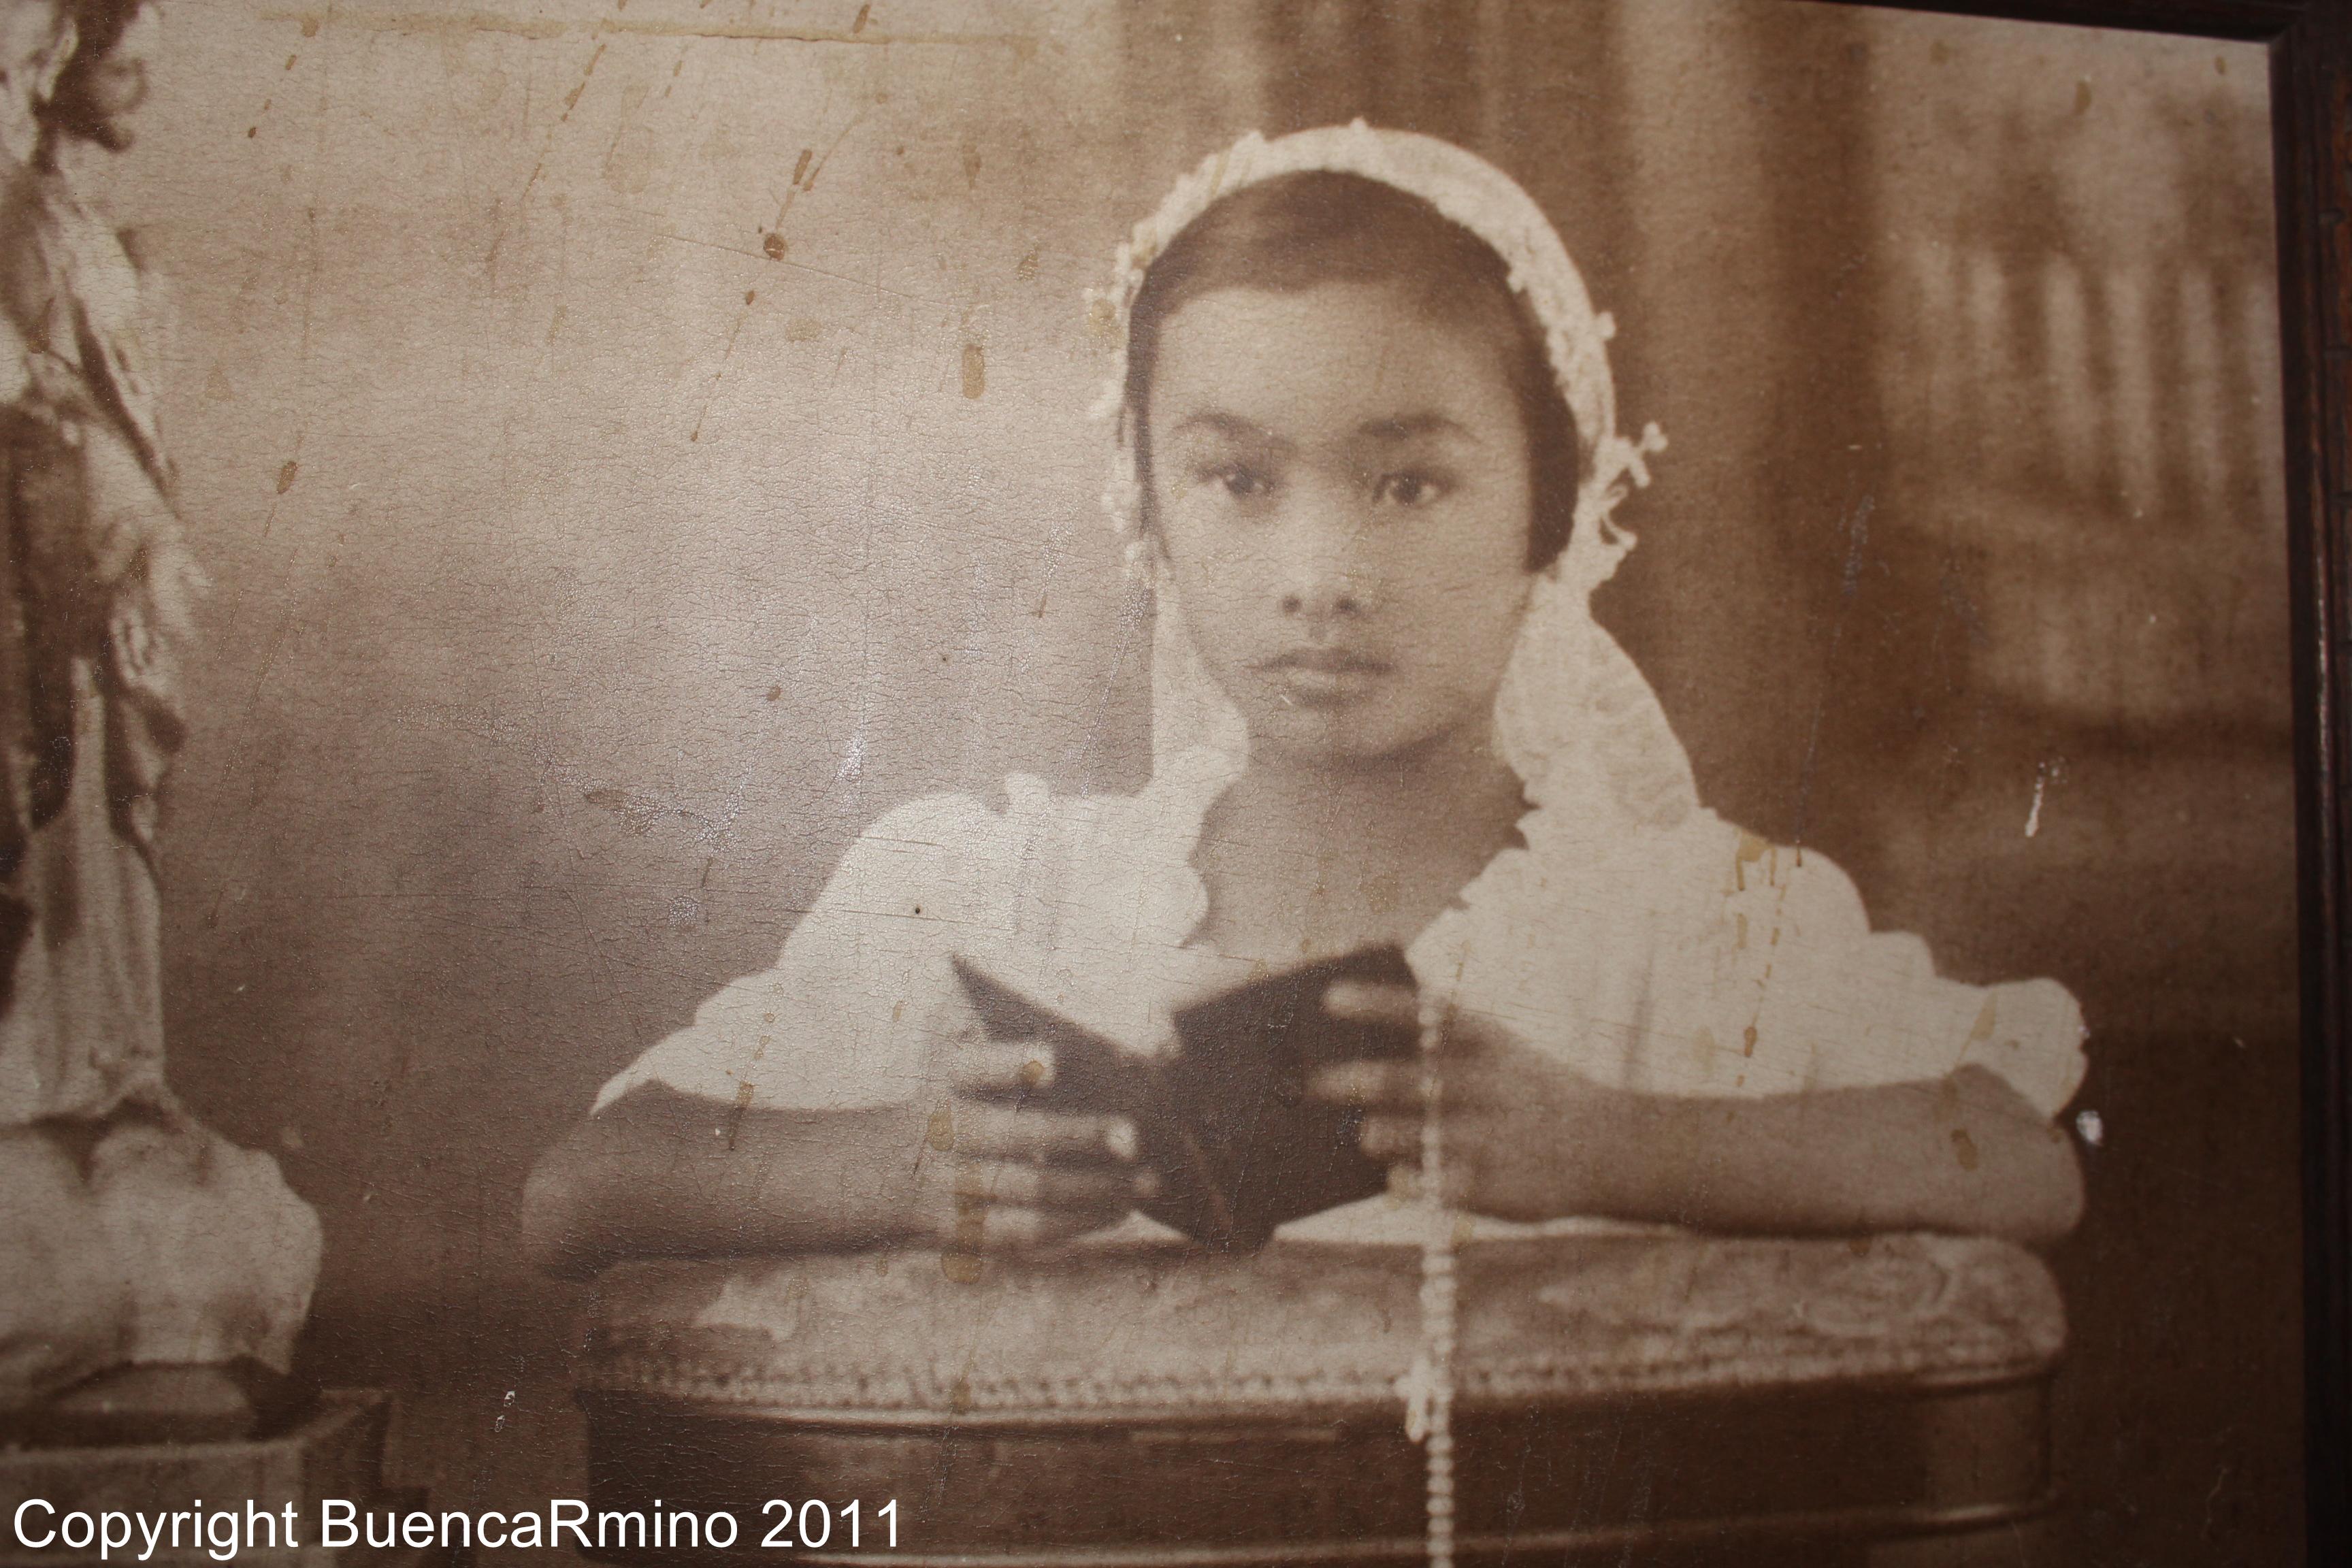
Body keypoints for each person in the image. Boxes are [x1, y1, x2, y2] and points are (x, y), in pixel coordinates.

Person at [523, 125, 2085, 1277]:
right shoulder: (1004, 895)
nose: (1321, 575)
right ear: (1149, 512)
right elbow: (582, 1190)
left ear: (1550, 514)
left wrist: (1607, 1140)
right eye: (1239, 482)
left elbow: (2026, 1153)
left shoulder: (1696, 931)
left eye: (1408, 483)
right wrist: (903, 1163)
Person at [0, 0, 318, 1424]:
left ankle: (109, 1095)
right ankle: (46, 1102)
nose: (145, 80)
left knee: (105, 847)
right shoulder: (16, 216)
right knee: (51, 846)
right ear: (59, 70)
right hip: (37, 595)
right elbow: (33, 404)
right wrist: (114, 510)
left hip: (95, 610)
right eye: (123, 56)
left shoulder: (73, 219)